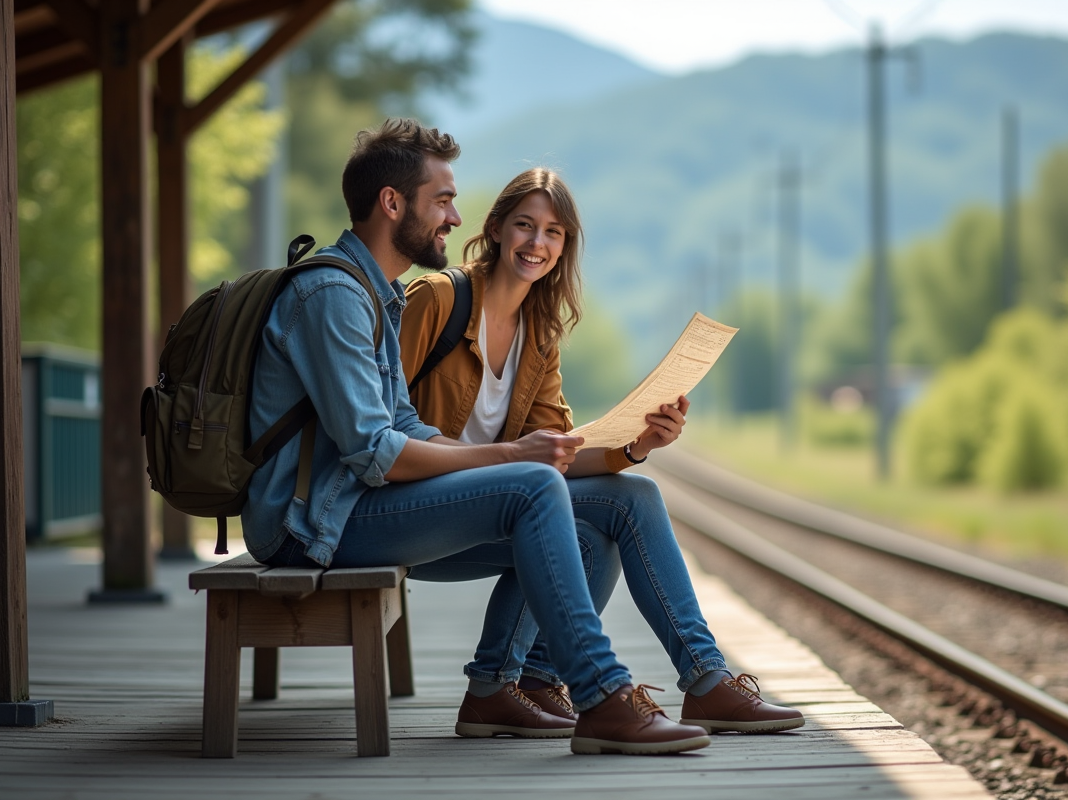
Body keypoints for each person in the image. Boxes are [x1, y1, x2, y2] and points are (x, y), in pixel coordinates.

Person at [241, 118, 713, 755]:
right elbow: (374, 452)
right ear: (392, 203)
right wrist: (510, 457)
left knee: (603, 514)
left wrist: (627, 449)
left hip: (353, 504)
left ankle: (504, 688)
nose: (453, 217)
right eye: (442, 200)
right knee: (532, 486)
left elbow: (405, 426)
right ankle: (601, 694)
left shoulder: (372, 296)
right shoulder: (333, 295)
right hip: (311, 521)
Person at [400, 167, 805, 738]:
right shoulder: (436, 300)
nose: (537, 244)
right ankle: (554, 682)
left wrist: (636, 445)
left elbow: (556, 455)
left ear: (565, 247)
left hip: (492, 505)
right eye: (525, 226)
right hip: (412, 514)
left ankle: (535, 684)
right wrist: (513, 456)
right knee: (556, 510)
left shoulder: (538, 333)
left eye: (554, 232)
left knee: (627, 498)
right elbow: (383, 424)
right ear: (494, 229)